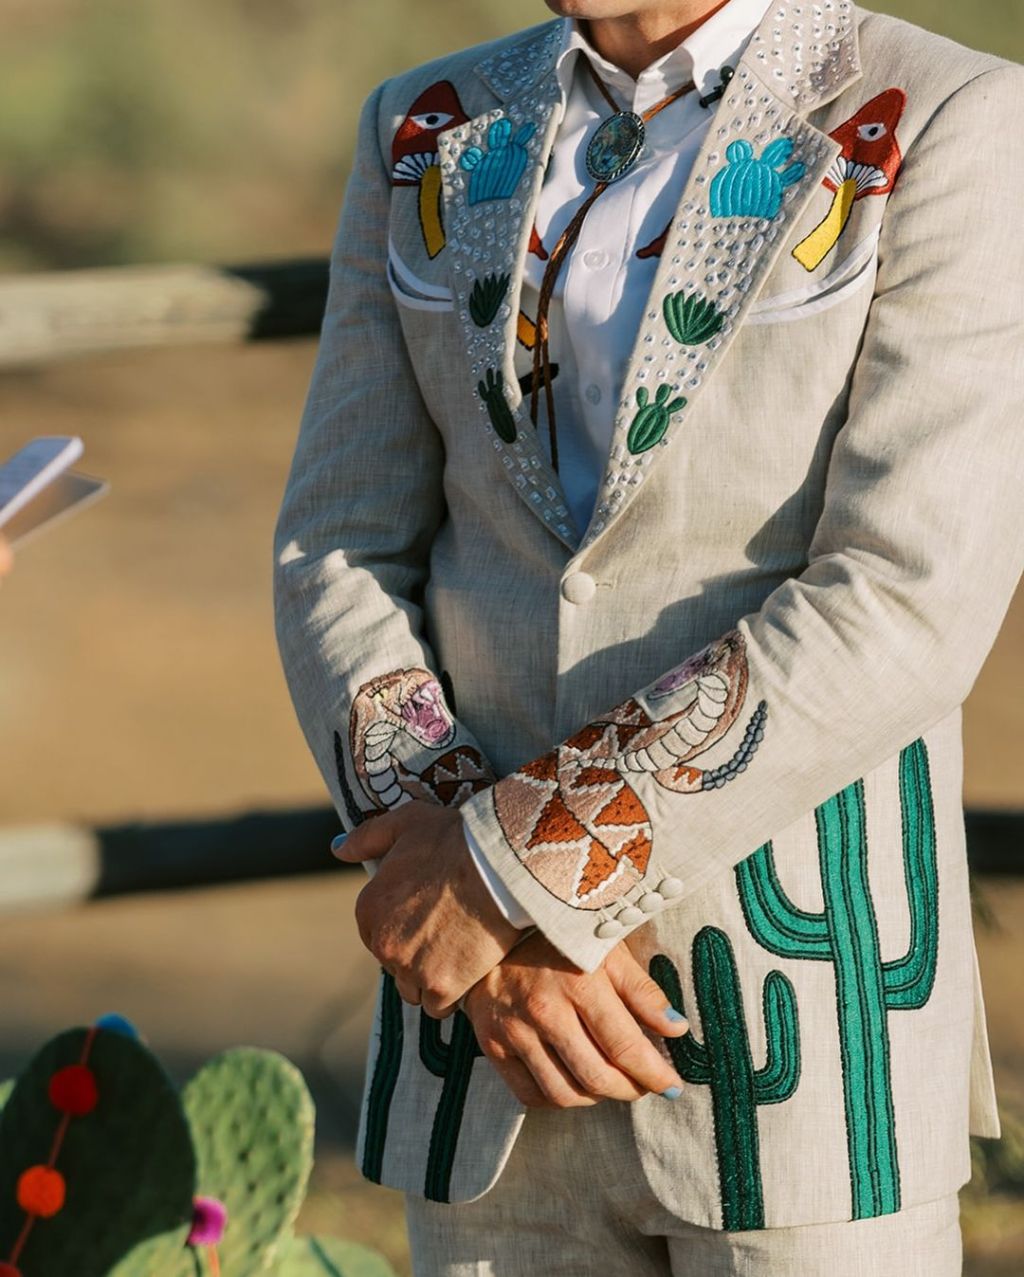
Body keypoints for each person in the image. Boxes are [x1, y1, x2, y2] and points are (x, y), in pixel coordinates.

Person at [273, 0, 1024, 1271]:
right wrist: (471, 905)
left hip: (803, 1034)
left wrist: (504, 876)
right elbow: (336, 545)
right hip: (484, 1044)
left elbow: (906, 590)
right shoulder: (427, 127)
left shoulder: (950, 117)